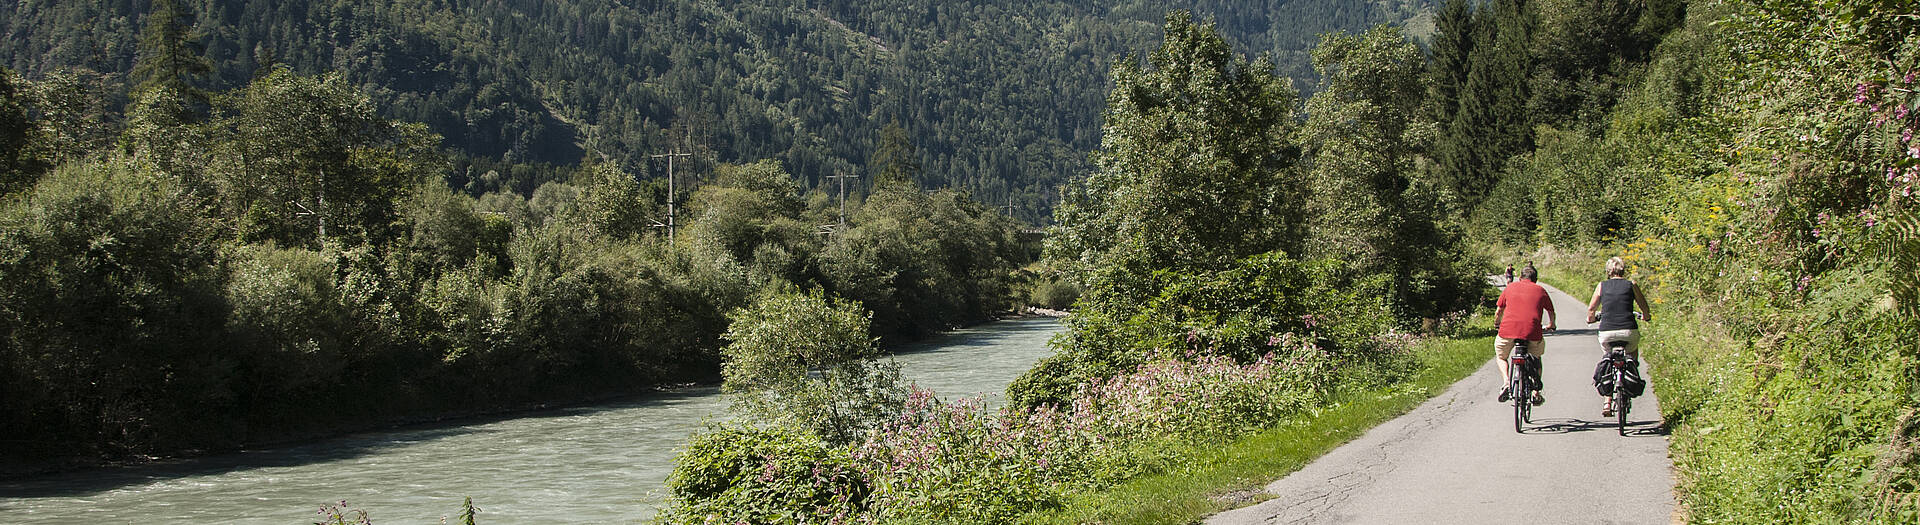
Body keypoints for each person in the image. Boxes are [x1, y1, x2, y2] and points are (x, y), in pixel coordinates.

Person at [1586, 256, 1652, 416]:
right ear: (1623, 270)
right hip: (1628, 331)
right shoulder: (1631, 285)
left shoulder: (1601, 286)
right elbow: (1643, 305)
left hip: (1607, 333)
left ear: (1608, 271)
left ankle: (1607, 402)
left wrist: (1591, 318)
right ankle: (1631, 376)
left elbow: (1591, 309)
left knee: (1608, 357)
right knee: (1632, 354)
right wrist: (1646, 315)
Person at [1494, 266, 1556, 404]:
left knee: (1501, 356)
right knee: (1537, 358)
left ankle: (1506, 382)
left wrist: (1497, 323)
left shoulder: (1509, 288)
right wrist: (1552, 324)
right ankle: (1536, 392)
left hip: (1508, 331)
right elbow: (1551, 312)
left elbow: (1499, 311)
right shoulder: (1541, 290)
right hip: (1532, 332)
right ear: (1536, 280)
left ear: (1520, 278)